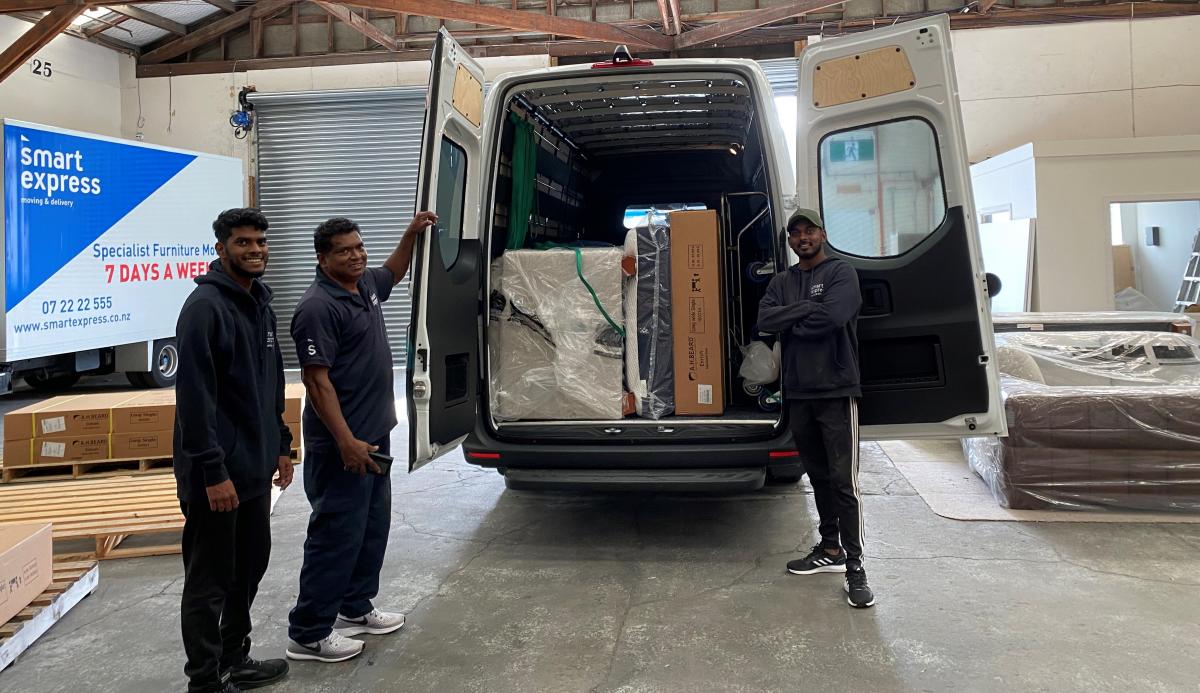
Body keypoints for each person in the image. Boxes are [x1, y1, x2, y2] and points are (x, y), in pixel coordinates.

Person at [286, 211, 436, 663]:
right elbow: (317, 383)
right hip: (343, 444)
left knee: (370, 528)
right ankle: (309, 633)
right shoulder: (318, 307)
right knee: (336, 534)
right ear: (322, 258)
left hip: (374, 435)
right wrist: (346, 441)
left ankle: (354, 606)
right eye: (343, 251)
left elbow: (393, 271)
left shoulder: (364, 285)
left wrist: (409, 235)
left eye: (358, 247)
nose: (355, 256)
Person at [174, 208, 294, 692]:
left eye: (260, 241)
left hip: (253, 468)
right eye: (243, 242)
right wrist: (212, 471)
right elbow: (195, 399)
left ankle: (234, 657)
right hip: (217, 474)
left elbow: (270, 382)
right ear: (221, 249)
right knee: (210, 580)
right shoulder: (205, 308)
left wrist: (281, 444)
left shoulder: (260, 302)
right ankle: (205, 680)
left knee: (249, 566)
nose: (255, 250)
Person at [757, 208, 875, 609]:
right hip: (798, 393)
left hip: (837, 390)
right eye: (796, 233)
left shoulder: (842, 273)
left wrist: (796, 318)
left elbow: (834, 317)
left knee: (844, 481)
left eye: (810, 231)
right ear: (790, 241)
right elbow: (765, 320)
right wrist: (808, 309)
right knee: (819, 476)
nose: (803, 238)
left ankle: (855, 567)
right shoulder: (781, 281)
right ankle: (829, 548)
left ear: (822, 235)